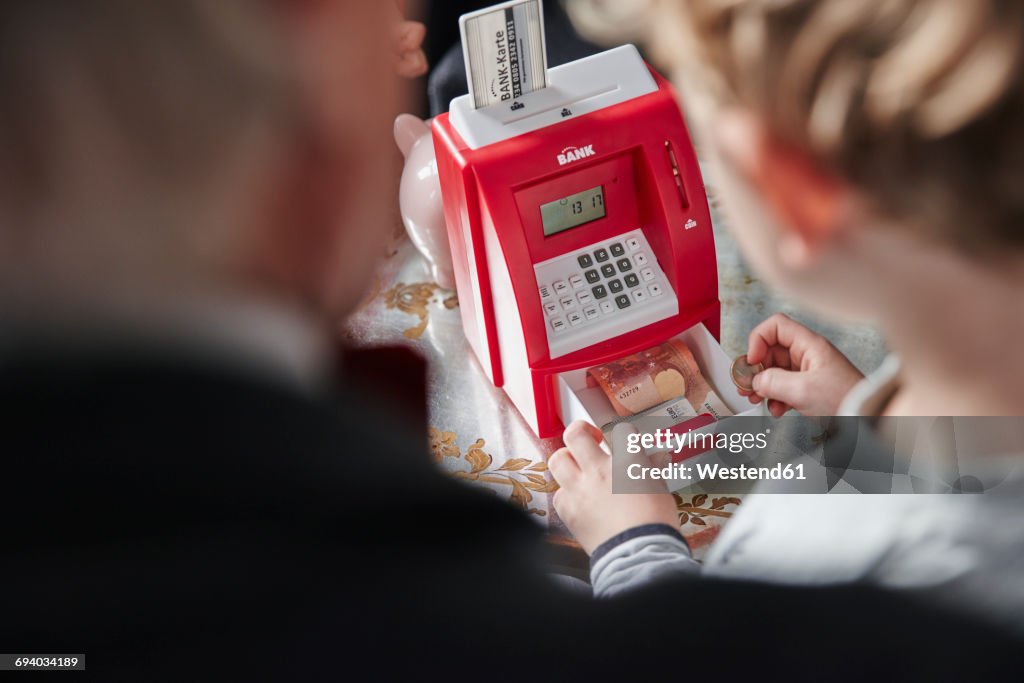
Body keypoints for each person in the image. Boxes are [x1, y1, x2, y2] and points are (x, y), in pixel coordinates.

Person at [1, 1, 1021, 680]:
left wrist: (634, 548)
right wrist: (857, 434)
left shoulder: (919, 625)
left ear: (789, 187)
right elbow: (982, 464)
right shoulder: (939, 393)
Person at [552, 0, 1024, 636]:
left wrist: (636, 550)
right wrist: (871, 423)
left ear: (791, 189)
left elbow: (707, 658)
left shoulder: (824, 568)